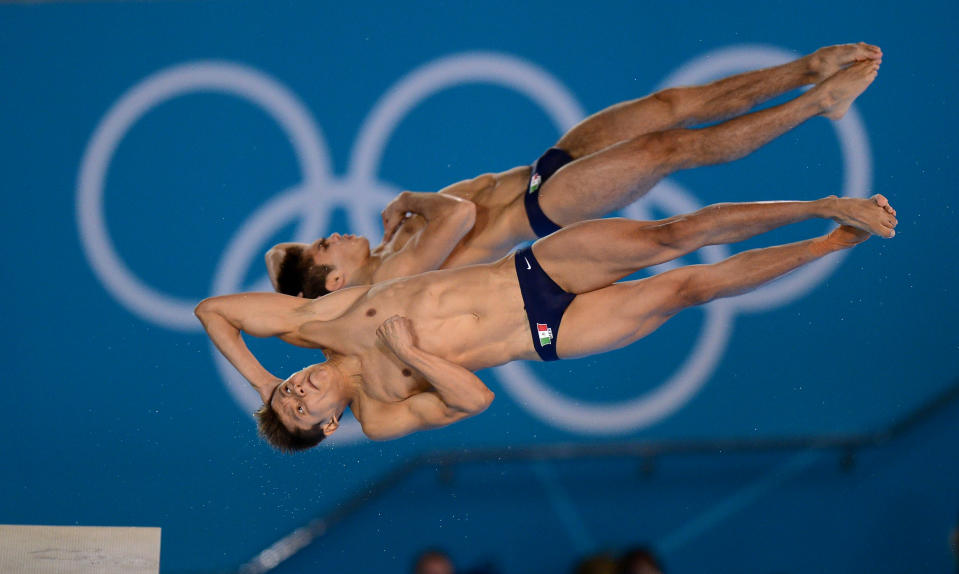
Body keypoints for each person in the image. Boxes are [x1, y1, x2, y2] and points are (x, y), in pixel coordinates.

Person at [195, 191, 896, 450]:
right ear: (329, 425)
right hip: (547, 336)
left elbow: (212, 311)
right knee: (688, 289)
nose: (298, 390)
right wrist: (416, 356)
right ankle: (830, 243)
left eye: (288, 389)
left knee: (669, 236)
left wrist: (256, 378)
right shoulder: (379, 413)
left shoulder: (318, 319)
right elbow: (473, 400)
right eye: (300, 405)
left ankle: (823, 207)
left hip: (530, 274)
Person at [266, 44, 882, 298]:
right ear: (336, 281)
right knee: (671, 147)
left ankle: (806, 70)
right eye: (325, 247)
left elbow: (277, 261)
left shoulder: (389, 237)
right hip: (547, 207)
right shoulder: (397, 272)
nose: (334, 236)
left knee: (670, 105)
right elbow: (455, 214)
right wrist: (412, 196)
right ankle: (816, 103)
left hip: (544, 167)